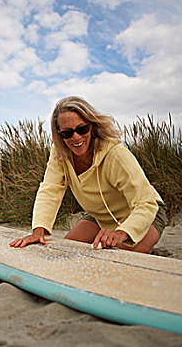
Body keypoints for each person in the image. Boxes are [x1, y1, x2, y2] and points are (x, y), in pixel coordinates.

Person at [9, 96, 167, 253]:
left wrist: (120, 234)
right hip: (100, 216)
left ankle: (145, 246)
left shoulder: (116, 155)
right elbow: (50, 189)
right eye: (67, 133)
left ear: (92, 126)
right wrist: (38, 231)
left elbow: (145, 203)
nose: (76, 137)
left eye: (82, 129)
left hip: (145, 213)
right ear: (59, 134)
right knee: (64, 253)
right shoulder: (60, 153)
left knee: (118, 260)